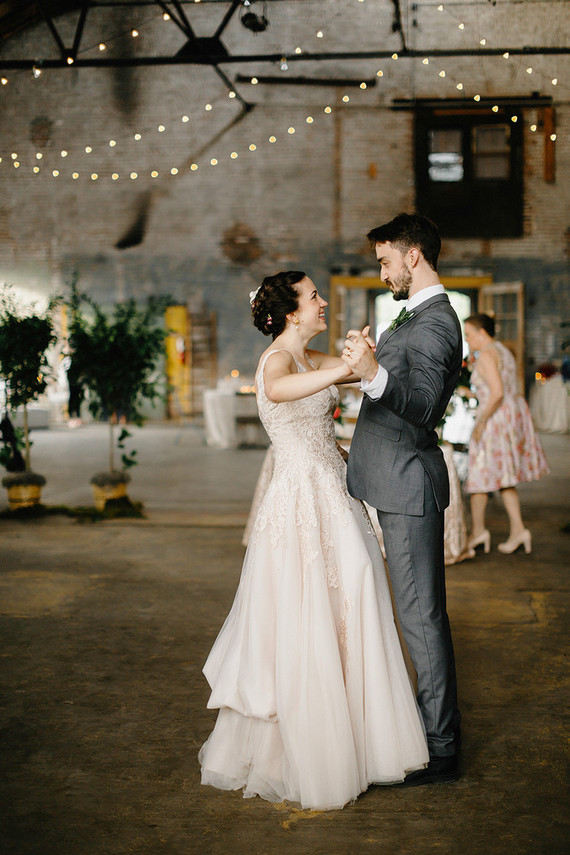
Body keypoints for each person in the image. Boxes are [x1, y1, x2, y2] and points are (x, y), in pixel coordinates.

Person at [199, 271, 429, 811]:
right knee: (306, 613)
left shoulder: (313, 357)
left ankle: (360, 740)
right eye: (313, 297)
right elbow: (277, 391)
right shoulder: (277, 361)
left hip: (335, 494)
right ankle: (307, 752)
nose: (323, 302)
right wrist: (342, 370)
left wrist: (360, 360)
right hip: (299, 504)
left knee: (354, 596)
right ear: (289, 312)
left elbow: (356, 376)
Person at [342, 213, 462, 786]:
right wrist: (369, 360)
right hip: (387, 478)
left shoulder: (438, 322)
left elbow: (425, 407)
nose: (383, 272)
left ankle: (441, 749)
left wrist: (373, 375)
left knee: (421, 619)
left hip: (409, 486)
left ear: (413, 257)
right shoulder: (411, 317)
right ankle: (422, 727)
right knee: (414, 615)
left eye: (387, 261)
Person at [463, 313, 549, 554]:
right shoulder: (502, 350)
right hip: (508, 416)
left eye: (469, 335)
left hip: (494, 420)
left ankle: (480, 532)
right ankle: (517, 530)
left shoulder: (488, 354)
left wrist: (481, 422)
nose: (467, 340)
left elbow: (497, 392)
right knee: (504, 478)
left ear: (482, 333)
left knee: (479, 474)